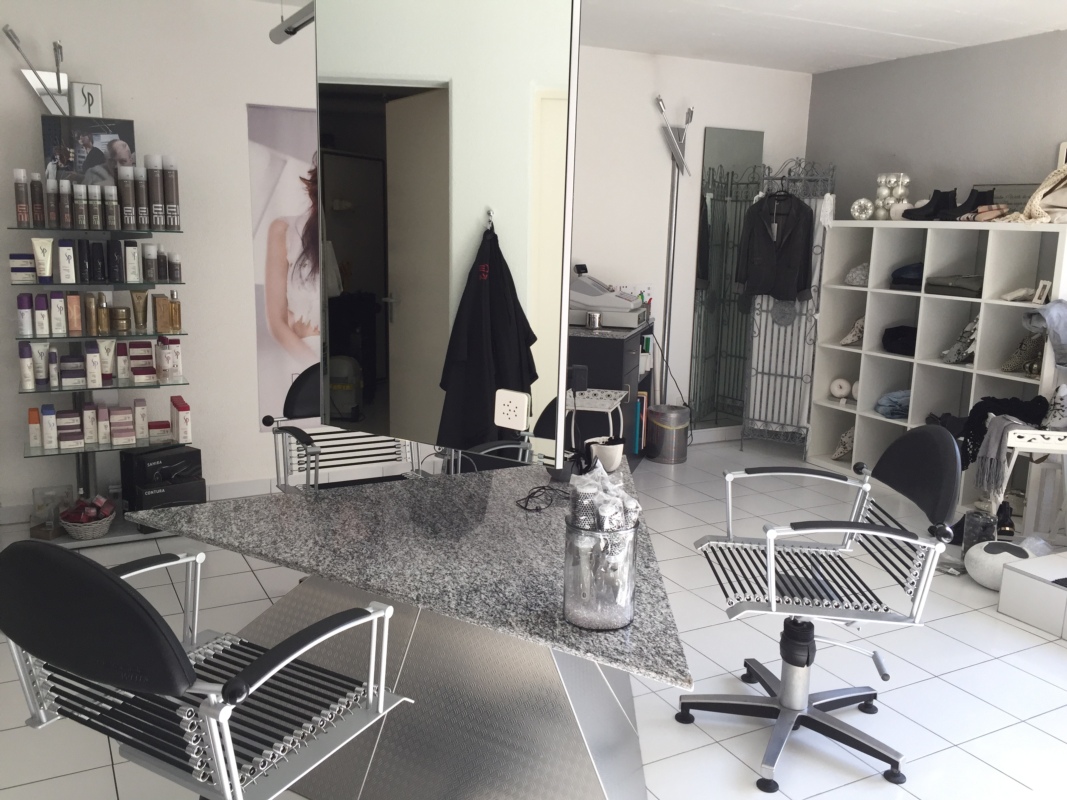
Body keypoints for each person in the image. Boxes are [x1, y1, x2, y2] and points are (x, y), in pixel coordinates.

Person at [265, 160, 321, 362]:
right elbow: (276, 322)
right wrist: (313, 366)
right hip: (305, 357)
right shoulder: (284, 229)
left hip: (348, 356)